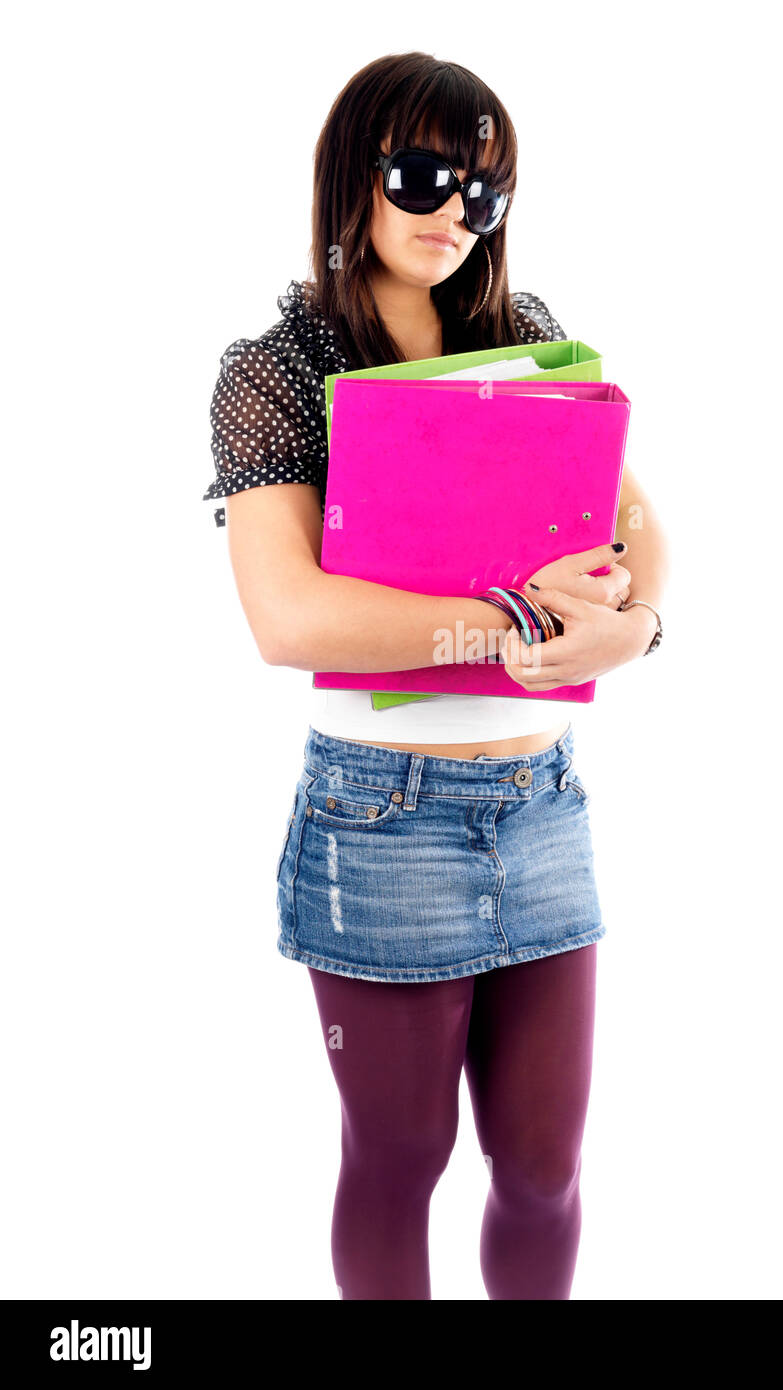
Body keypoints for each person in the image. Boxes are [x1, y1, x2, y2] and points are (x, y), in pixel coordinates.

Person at [202, 52, 669, 1300]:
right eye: (427, 177)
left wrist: (639, 625)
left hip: (541, 806)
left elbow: (633, 523)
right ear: (354, 175)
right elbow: (286, 616)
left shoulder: (525, 340)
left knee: (542, 1168)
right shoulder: (278, 368)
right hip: (380, 814)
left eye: (486, 191)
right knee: (397, 1157)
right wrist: (509, 617)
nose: (458, 213)